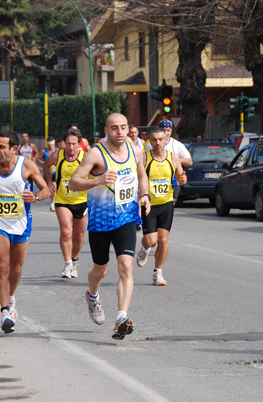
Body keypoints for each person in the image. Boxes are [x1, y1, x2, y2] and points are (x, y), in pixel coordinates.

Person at [68, 113, 151, 340]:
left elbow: (141, 175)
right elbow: (74, 183)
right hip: (100, 222)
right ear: (107, 130)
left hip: (126, 218)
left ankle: (121, 318)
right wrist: (98, 180)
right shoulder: (96, 153)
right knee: (100, 270)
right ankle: (92, 296)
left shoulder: (135, 150)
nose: (120, 132)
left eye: (123, 127)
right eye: (115, 128)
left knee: (126, 267)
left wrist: (144, 195)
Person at [0, 130, 49, 333]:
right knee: (3, 266)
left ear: (14, 149)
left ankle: (11, 298)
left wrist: (35, 197)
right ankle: (4, 312)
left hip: (21, 223)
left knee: (16, 269)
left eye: (1, 147)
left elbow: (46, 190)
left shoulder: (26, 166)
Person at [136, 127, 187, 286]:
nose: (157, 143)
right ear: (150, 141)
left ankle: (158, 273)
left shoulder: (174, 157)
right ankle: (144, 249)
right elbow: (138, 179)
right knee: (151, 241)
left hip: (166, 203)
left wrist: (183, 179)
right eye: (154, 140)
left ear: (166, 140)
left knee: (163, 240)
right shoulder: (144, 158)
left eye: (160, 139)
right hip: (149, 205)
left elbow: (179, 177)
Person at [43, 128, 88, 279]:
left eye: (74, 144)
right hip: (63, 200)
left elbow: (97, 173)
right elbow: (46, 166)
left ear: (79, 144)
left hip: (82, 201)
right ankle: (67, 263)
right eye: (68, 143)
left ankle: (74, 261)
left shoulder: (85, 157)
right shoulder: (57, 155)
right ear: (63, 143)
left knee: (78, 235)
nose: (70, 147)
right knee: (66, 231)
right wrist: (50, 182)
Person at [145, 120, 193, 202]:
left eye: (168, 130)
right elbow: (145, 161)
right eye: (164, 130)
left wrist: (173, 160)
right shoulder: (150, 145)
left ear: (171, 131)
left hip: (172, 183)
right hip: (153, 183)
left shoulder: (177, 145)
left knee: (168, 208)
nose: (166, 133)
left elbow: (189, 161)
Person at [36, 137, 58, 212]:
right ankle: (46, 196)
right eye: (49, 145)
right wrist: (44, 163)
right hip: (47, 173)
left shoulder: (57, 151)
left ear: (54, 144)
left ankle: (52, 204)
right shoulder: (43, 151)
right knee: (47, 189)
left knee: (54, 187)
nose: (50, 146)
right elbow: (38, 158)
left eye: (52, 144)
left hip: (55, 172)